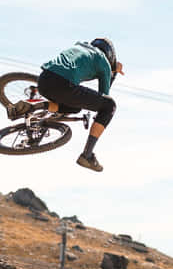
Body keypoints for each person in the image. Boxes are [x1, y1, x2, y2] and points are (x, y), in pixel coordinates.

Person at [9, 38, 123, 172]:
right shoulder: (104, 63)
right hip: (64, 85)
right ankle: (87, 155)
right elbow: (104, 96)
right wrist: (112, 72)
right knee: (110, 105)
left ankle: (34, 105)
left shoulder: (80, 45)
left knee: (74, 107)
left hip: (44, 80)